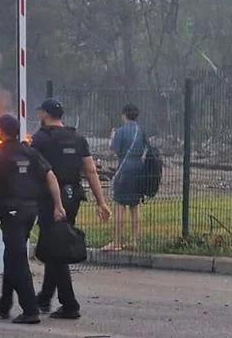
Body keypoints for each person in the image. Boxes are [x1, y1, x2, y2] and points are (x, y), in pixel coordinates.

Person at [0, 114, 65, 325]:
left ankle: (30, 310)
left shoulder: (1, 155)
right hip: (30, 211)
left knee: (17, 260)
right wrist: (58, 205)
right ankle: (5, 302)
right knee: (11, 255)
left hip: (12, 211)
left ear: (2, 132)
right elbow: (50, 176)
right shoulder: (30, 151)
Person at [30, 98, 111, 319]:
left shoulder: (40, 139)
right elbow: (91, 171)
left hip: (50, 199)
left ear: (45, 114)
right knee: (56, 244)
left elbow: (35, 170)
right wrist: (101, 201)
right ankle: (45, 298)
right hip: (73, 196)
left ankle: (69, 304)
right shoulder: (77, 138)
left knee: (56, 250)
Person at [106, 103, 147, 251]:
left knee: (120, 206)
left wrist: (111, 138)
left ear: (123, 115)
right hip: (139, 171)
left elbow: (113, 151)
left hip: (124, 171)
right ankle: (135, 240)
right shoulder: (141, 130)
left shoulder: (121, 131)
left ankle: (117, 241)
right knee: (135, 207)